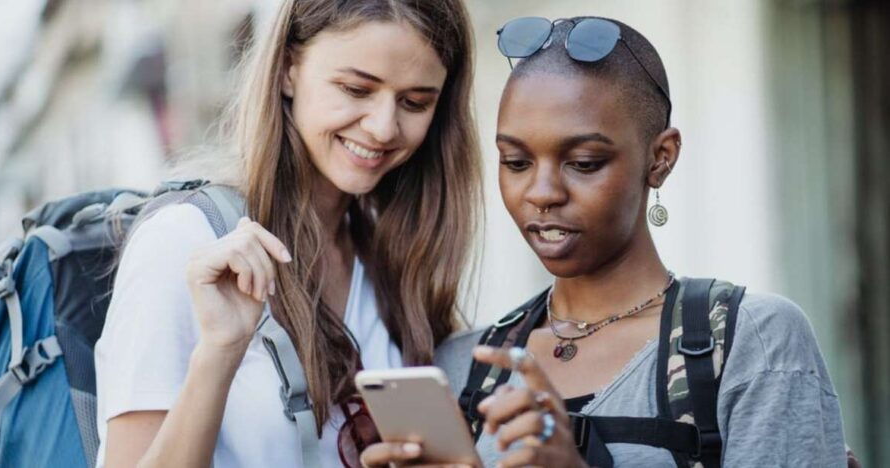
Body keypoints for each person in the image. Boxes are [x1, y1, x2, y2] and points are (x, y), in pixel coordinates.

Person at [361, 16, 846, 467]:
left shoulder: (749, 341)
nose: (542, 193)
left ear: (660, 158)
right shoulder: (464, 369)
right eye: (516, 162)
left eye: (585, 162)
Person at [93, 1, 481, 466]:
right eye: (356, 89)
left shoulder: (391, 253)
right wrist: (220, 352)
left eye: (415, 102)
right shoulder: (185, 239)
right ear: (288, 68)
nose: (383, 128)